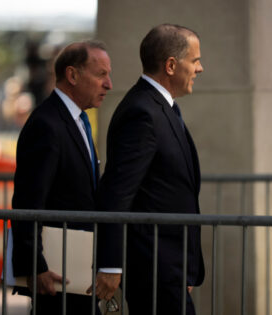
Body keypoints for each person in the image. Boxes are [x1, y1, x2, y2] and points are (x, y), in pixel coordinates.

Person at [91, 24, 205, 315]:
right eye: (194, 60)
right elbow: (118, 192)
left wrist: (187, 266)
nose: (200, 68)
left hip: (170, 267)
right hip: (153, 266)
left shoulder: (163, 108)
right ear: (170, 65)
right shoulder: (142, 112)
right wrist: (111, 263)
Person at [11, 40, 112, 315]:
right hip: (55, 276)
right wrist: (35, 266)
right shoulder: (46, 123)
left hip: (77, 274)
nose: (109, 84)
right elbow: (28, 201)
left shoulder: (79, 119)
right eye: (101, 74)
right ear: (72, 75)